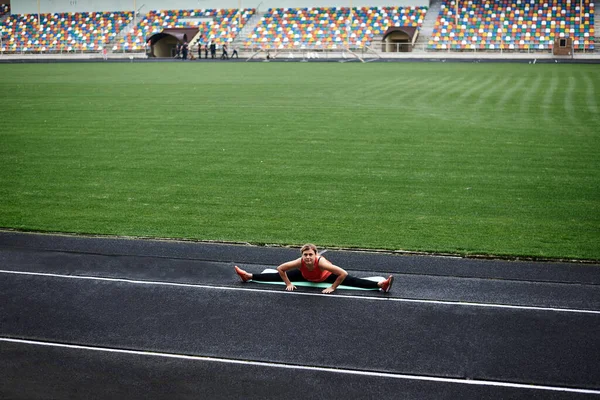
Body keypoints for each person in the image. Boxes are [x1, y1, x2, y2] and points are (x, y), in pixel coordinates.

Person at [234, 243, 393, 294]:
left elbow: (342, 273)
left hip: (324, 277)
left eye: (310, 254)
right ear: (302, 255)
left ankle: (380, 285)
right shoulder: (300, 262)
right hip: (305, 275)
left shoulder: (321, 263)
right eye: (305, 255)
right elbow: (280, 269)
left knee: (352, 280)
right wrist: (288, 283)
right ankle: (248, 276)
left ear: (315, 254)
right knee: (277, 276)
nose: (308, 257)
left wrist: (332, 287)